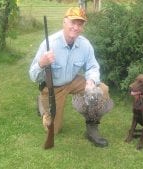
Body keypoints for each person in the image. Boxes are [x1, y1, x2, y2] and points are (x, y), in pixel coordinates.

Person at [29, 7, 113, 147]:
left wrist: (91, 80)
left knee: (102, 90)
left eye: (80, 24)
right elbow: (32, 75)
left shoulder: (85, 45)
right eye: (72, 22)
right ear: (64, 22)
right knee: (54, 129)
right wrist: (41, 63)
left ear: (82, 27)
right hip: (54, 87)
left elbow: (93, 67)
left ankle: (92, 128)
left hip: (73, 81)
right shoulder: (49, 43)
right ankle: (43, 107)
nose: (75, 27)